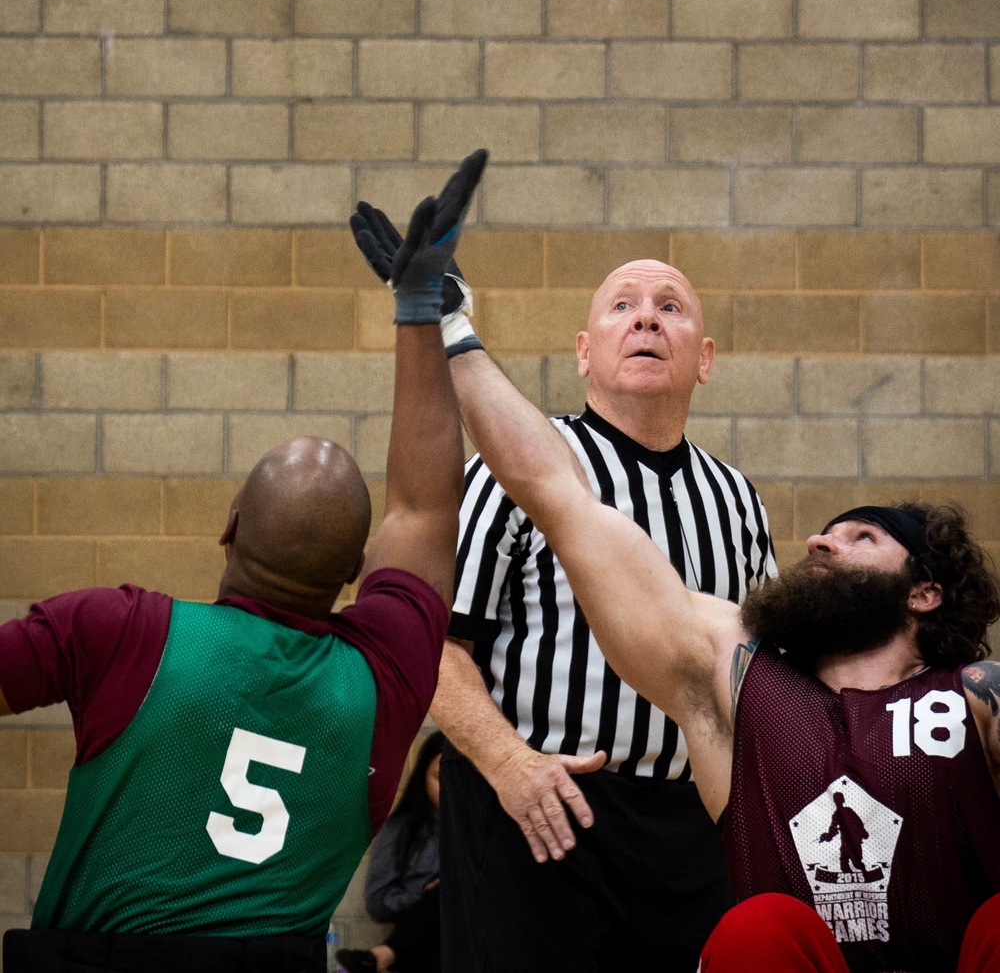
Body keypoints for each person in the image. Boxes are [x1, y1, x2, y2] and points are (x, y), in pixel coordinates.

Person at [0, 151, 487, 973]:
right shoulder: (384, 676)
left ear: (229, 524)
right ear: (350, 579)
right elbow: (426, 507)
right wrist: (420, 311)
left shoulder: (119, 630)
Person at [427, 342, 1000, 973]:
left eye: (861, 536)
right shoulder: (741, 680)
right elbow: (559, 496)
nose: (819, 540)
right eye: (824, 532)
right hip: (747, 932)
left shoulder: (974, 693)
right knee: (758, 929)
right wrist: (452, 328)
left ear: (925, 592)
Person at [350, 211, 776, 973]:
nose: (646, 316)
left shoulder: (738, 499)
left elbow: (765, 675)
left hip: (694, 825)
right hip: (539, 807)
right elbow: (435, 653)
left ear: (704, 358)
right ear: (585, 353)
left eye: (669, 307)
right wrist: (510, 764)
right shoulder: (516, 469)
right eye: (623, 306)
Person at [337, 732, 444, 973]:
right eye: (440, 778)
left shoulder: (478, 833)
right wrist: (423, 893)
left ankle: (381, 956)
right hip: (419, 942)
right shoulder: (401, 829)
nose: (449, 791)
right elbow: (377, 902)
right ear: (423, 777)